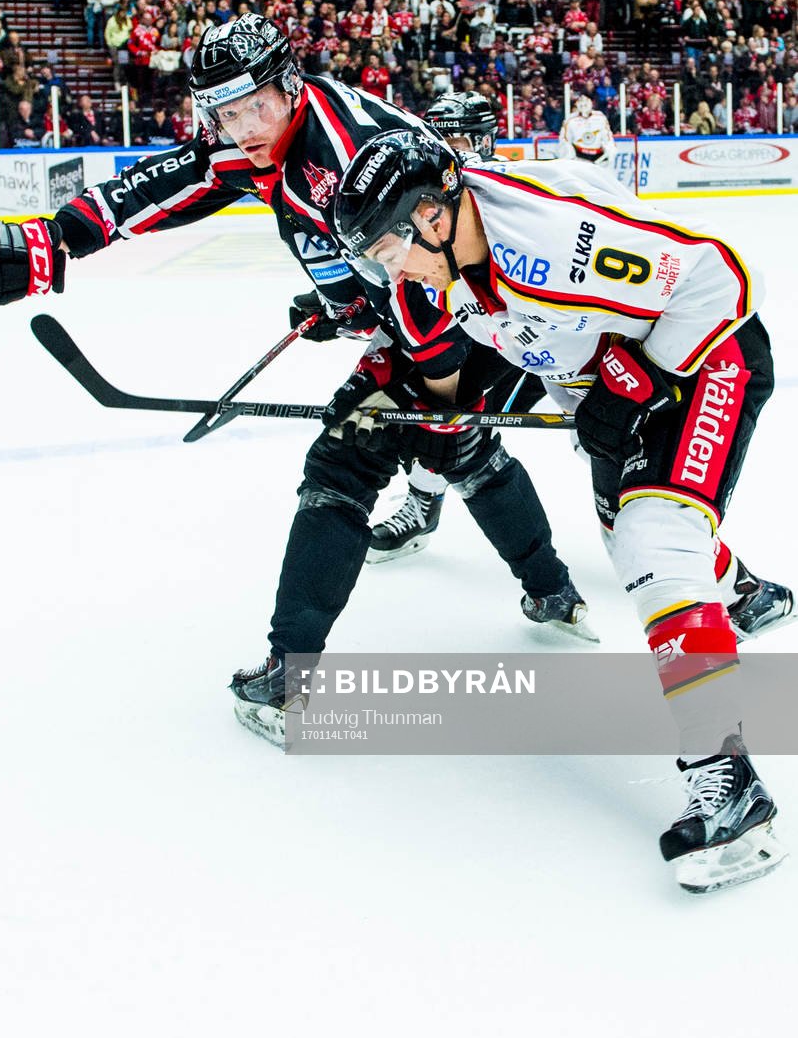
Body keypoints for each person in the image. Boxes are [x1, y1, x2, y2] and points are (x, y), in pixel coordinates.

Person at [0, 13, 591, 744]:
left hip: (469, 320)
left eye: (255, 104)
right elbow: (177, 180)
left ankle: (292, 680)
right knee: (464, 453)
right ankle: (554, 593)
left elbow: (426, 293)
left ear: (289, 86)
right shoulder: (266, 140)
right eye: (224, 111)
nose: (242, 125)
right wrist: (52, 239)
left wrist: (442, 389)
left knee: (345, 463)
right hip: (429, 314)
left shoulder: (348, 155)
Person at [330, 128, 794, 894]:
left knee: (653, 538)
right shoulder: (446, 260)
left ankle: (730, 779)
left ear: (434, 218)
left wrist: (637, 376)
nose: (393, 271)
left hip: (707, 362)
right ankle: (747, 593)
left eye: (389, 250)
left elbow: (726, 277)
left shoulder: (551, 242)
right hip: (619, 387)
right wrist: (377, 363)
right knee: (632, 536)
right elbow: (478, 348)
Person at [368, 89, 546, 564]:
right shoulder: (429, 200)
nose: (450, 146)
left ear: (485, 140)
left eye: (460, 138)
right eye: (441, 136)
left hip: (541, 333)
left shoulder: (507, 188)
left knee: (593, 434)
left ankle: (648, 517)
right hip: (481, 334)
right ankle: (423, 504)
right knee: (446, 420)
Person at [557, 95, 616, 167]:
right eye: (581, 102)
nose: (583, 105)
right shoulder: (570, 120)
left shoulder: (600, 117)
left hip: (599, 158)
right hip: (579, 158)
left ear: (591, 103)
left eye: (586, 102)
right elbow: (564, 140)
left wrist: (610, 148)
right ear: (577, 104)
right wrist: (569, 153)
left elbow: (608, 137)